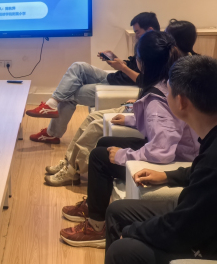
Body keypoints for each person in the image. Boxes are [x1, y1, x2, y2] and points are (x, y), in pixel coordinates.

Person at [59, 31, 200, 248]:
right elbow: (167, 124)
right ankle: (96, 204)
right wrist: (131, 119)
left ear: (142, 63)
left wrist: (124, 156)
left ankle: (97, 227)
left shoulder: (157, 100)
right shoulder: (168, 82)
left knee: (99, 158)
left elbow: (162, 151)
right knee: (104, 144)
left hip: (174, 158)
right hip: (176, 149)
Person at [105, 55, 217, 263]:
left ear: (181, 101)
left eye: (168, 91)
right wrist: (167, 176)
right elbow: (203, 170)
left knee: (123, 250)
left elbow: (180, 229)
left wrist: (132, 232)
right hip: (203, 215)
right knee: (117, 211)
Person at [46, 20, 199, 186]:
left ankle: (72, 169)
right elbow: (166, 120)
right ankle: (69, 162)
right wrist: (135, 113)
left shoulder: (170, 81)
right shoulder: (167, 75)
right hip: (141, 110)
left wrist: (123, 154)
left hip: (173, 156)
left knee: (95, 134)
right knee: (80, 77)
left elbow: (162, 141)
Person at [28, 12, 160, 144]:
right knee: (78, 66)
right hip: (114, 78)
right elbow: (133, 67)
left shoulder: (156, 51)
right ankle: (51, 104)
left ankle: (51, 130)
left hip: (119, 85)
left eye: (137, 32)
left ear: (150, 30)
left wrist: (123, 68)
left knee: (69, 92)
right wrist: (117, 61)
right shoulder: (145, 45)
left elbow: (146, 81)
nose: (136, 36)